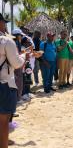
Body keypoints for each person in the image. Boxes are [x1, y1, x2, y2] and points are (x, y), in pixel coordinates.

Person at [0, 13, 27, 148]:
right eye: (4, 22)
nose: (5, 25)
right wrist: (25, 56)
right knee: (4, 121)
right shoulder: (6, 41)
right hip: (4, 84)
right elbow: (16, 64)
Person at [11, 29, 25, 101]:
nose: (21, 37)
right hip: (17, 64)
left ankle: (18, 97)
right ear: (16, 36)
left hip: (15, 64)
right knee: (18, 81)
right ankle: (18, 98)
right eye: (20, 35)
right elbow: (17, 54)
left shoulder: (14, 42)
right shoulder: (15, 43)